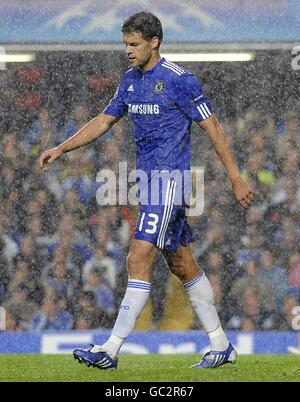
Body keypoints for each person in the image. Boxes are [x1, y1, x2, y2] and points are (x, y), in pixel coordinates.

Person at [39, 11, 255, 369]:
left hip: (170, 183)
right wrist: (62, 147)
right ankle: (221, 344)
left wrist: (235, 177)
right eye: (125, 44)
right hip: (149, 185)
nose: (128, 50)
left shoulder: (179, 81)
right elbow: (105, 120)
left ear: (154, 42)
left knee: (138, 257)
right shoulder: (129, 81)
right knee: (182, 264)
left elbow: (213, 128)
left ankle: (109, 350)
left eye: (134, 44)